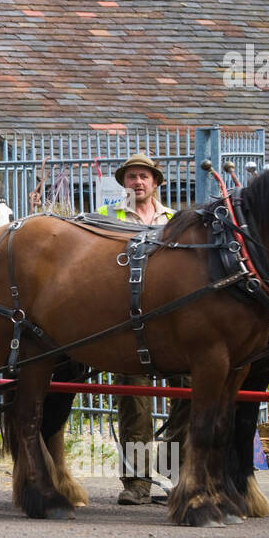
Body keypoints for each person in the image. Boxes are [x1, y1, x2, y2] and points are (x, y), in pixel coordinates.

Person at [98, 153, 176, 505]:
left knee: (189, 397)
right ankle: (136, 483)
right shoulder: (106, 220)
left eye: (143, 176)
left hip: (174, 325)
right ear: (123, 184)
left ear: (156, 182)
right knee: (134, 405)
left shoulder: (175, 221)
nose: (137, 182)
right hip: (130, 325)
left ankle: (175, 473)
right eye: (131, 177)